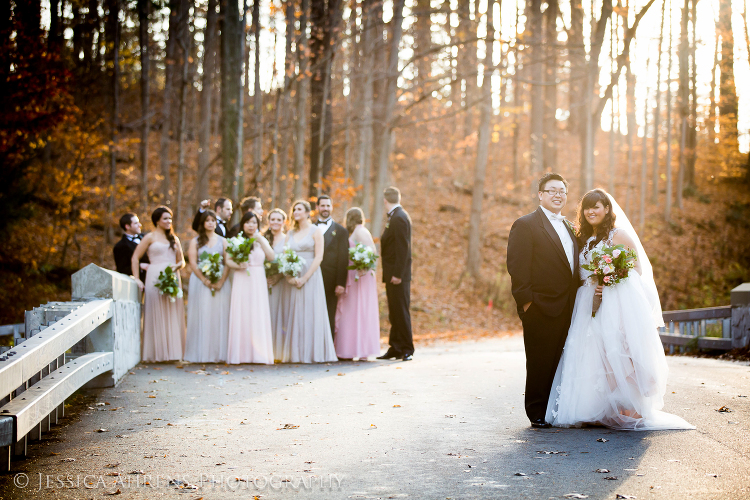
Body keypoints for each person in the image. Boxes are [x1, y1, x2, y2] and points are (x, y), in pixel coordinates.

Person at [545, 189, 695, 430]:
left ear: (607, 209)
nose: (591, 211)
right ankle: (594, 409)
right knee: (590, 351)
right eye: (587, 207)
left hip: (613, 300)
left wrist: (610, 280)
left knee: (616, 349)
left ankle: (626, 409)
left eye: (597, 206)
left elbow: (637, 269)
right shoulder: (583, 238)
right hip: (585, 300)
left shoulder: (619, 235)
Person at [506, 172, 579, 428]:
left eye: (562, 191)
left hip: (570, 306)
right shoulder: (525, 225)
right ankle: (536, 412)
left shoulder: (570, 226)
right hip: (540, 306)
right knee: (539, 360)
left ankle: (555, 409)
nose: (558, 195)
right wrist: (527, 303)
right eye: (552, 190)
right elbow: (517, 266)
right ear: (540, 194)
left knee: (562, 360)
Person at [274, 200, 337, 363]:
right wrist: (290, 276)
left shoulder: (315, 231)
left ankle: (312, 353)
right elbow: (286, 256)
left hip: (311, 275)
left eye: (299, 209)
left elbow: (319, 256)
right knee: (294, 313)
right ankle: (295, 353)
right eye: (294, 209)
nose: (296, 212)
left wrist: (305, 277)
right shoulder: (290, 233)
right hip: (293, 275)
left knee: (310, 312)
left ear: (308, 213)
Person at [132, 206, 186, 362]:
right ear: (157, 220)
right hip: (155, 276)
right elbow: (135, 258)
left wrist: (177, 266)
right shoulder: (149, 237)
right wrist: (136, 278)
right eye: (165, 218)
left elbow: (181, 261)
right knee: (156, 311)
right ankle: (156, 353)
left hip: (172, 276)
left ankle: (173, 353)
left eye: (170, 218)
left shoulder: (174, 239)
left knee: (172, 311)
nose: (169, 221)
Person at [225, 212, 277, 364]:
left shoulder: (261, 240)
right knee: (242, 312)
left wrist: (260, 238)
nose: (251, 225)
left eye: (254, 222)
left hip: (258, 278)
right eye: (248, 222)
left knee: (257, 312)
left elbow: (272, 256)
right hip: (242, 277)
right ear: (243, 224)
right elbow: (228, 260)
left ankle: (259, 354)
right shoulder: (235, 240)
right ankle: (240, 355)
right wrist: (238, 265)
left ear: (258, 225)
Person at [184, 210, 231, 363]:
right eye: (207, 220)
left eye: (213, 220)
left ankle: (218, 353)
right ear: (202, 223)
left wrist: (220, 282)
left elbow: (227, 263)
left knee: (218, 316)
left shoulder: (223, 241)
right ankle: (202, 353)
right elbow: (192, 263)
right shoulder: (196, 241)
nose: (210, 223)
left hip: (220, 282)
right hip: (201, 283)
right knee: (202, 315)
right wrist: (205, 280)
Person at [334, 207, 380, 361]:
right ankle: (349, 348)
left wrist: (363, 267)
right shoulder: (354, 232)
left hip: (361, 276)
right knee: (351, 311)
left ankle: (362, 349)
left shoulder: (361, 231)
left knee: (360, 310)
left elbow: (372, 252)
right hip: (353, 276)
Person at [377, 187, 414, 362]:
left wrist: (398, 273)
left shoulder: (399, 218)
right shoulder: (395, 216)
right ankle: (395, 346)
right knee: (394, 311)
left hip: (398, 275)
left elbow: (403, 248)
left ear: (385, 200)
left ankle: (407, 348)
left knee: (401, 310)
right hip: (392, 273)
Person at [314, 195, 349, 339]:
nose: (325, 209)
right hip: (311, 277)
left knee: (329, 312)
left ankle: (328, 349)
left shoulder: (341, 231)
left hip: (331, 280)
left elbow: (343, 258)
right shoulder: (310, 228)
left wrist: (341, 283)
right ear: (317, 207)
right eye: (322, 206)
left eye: (328, 206)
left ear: (332, 207)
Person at [264, 208, 288, 359]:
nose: (275, 222)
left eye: (279, 220)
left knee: (280, 313)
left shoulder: (287, 239)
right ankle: (266, 350)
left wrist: (278, 276)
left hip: (281, 282)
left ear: (284, 222)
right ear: (268, 221)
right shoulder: (263, 239)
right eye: (273, 219)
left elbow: (289, 261)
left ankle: (278, 351)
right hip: (264, 282)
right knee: (266, 313)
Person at [113, 212, 149, 282]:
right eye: (136, 223)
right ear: (127, 226)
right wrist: (140, 266)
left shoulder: (146, 237)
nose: (140, 225)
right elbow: (122, 269)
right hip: (142, 281)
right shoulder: (120, 246)